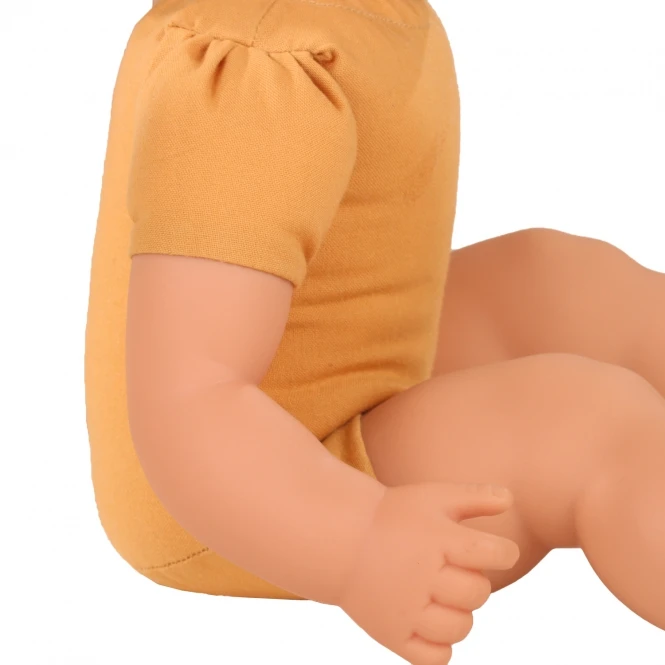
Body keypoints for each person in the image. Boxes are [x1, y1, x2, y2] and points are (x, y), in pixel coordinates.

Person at [84, 0, 665, 662]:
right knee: (585, 421)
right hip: (240, 489)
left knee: (562, 281)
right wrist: (359, 542)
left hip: (355, 352)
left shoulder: (364, 21)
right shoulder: (256, 74)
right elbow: (192, 395)